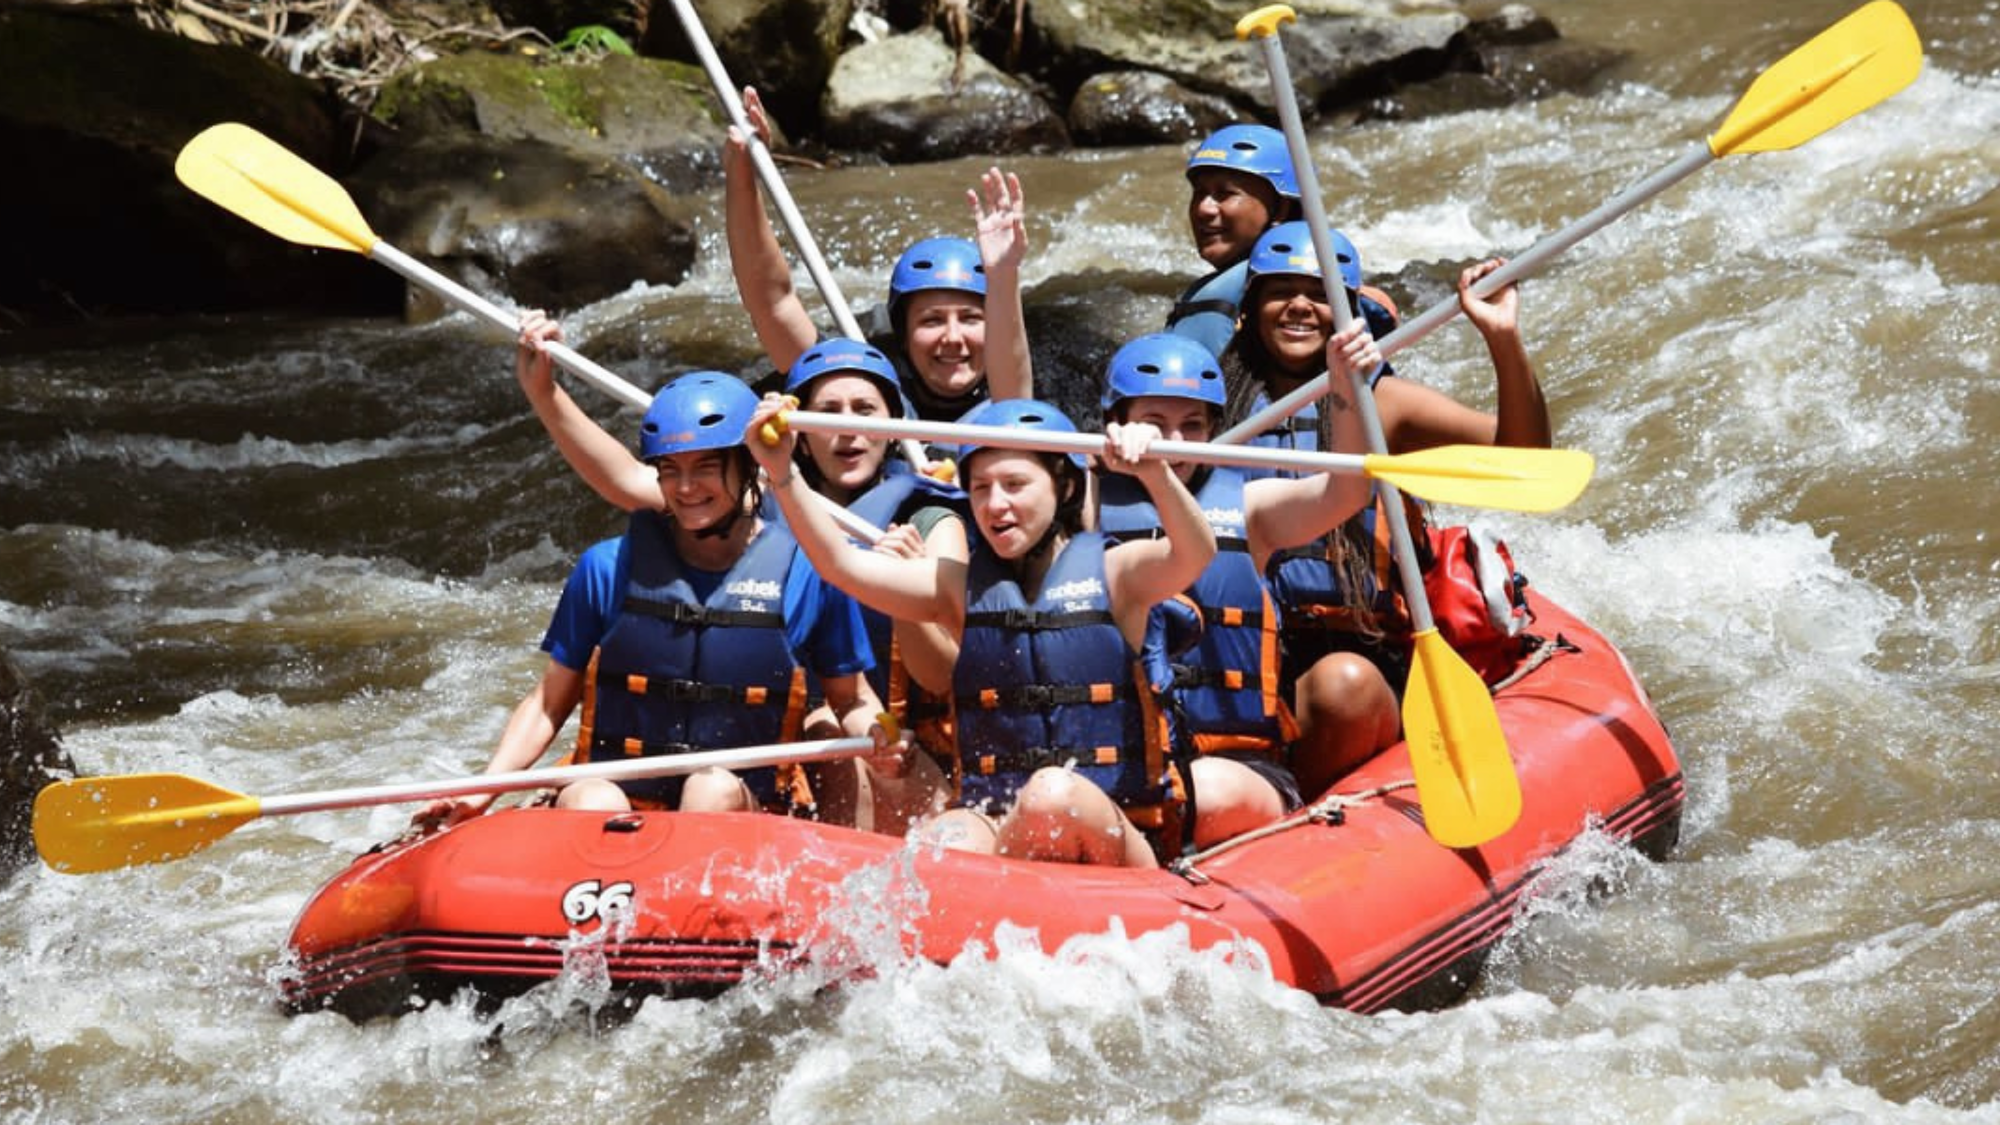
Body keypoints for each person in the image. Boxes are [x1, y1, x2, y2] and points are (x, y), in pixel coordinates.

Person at [424, 320, 903, 824]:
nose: (686, 487)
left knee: (709, 788)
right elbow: (548, 701)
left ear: (748, 466)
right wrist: (484, 789)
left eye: (704, 468)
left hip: (743, 807)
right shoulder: (605, 568)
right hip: (623, 802)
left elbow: (853, 699)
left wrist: (884, 733)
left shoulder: (810, 572)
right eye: (670, 470)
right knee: (591, 796)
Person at [745, 394, 1217, 867]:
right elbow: (841, 565)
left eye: (1015, 484)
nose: (996, 505)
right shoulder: (958, 588)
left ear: (1066, 490)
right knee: (941, 843)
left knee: (1051, 795)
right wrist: (783, 474)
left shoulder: (1119, 574)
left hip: (1117, 830)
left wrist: (1156, 473)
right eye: (980, 488)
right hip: (1000, 824)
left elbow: (1195, 553)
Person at [1220, 220, 1551, 794]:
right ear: (1250, 308)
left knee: (1340, 686)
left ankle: (1294, 821)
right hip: (1232, 650)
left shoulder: (1383, 404)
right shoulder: (1208, 407)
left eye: (1321, 293)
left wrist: (1501, 337)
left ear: (1347, 312)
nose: (1300, 306)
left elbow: (1523, 455)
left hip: (1356, 650)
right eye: (1281, 291)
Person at [1094, 332, 1374, 845]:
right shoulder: (1077, 506)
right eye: (1154, 424)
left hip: (1234, 768)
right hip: (1112, 764)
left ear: (1216, 431)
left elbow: (1347, 491)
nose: (1174, 441)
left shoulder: (1250, 508)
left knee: (1200, 788)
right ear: (1114, 423)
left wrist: (1344, 391)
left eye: (1192, 426)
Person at [724, 86, 1031, 421]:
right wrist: (742, 176)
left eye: (971, 319)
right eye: (931, 320)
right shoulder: (860, 393)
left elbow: (1013, 405)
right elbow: (773, 303)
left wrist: (1003, 273)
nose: (953, 338)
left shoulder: (1013, 399)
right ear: (903, 335)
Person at [1168, 123, 1400, 365]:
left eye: (1225, 193)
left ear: (1281, 208)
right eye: (1199, 192)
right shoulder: (1240, 289)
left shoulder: (1252, 297)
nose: (1203, 209)